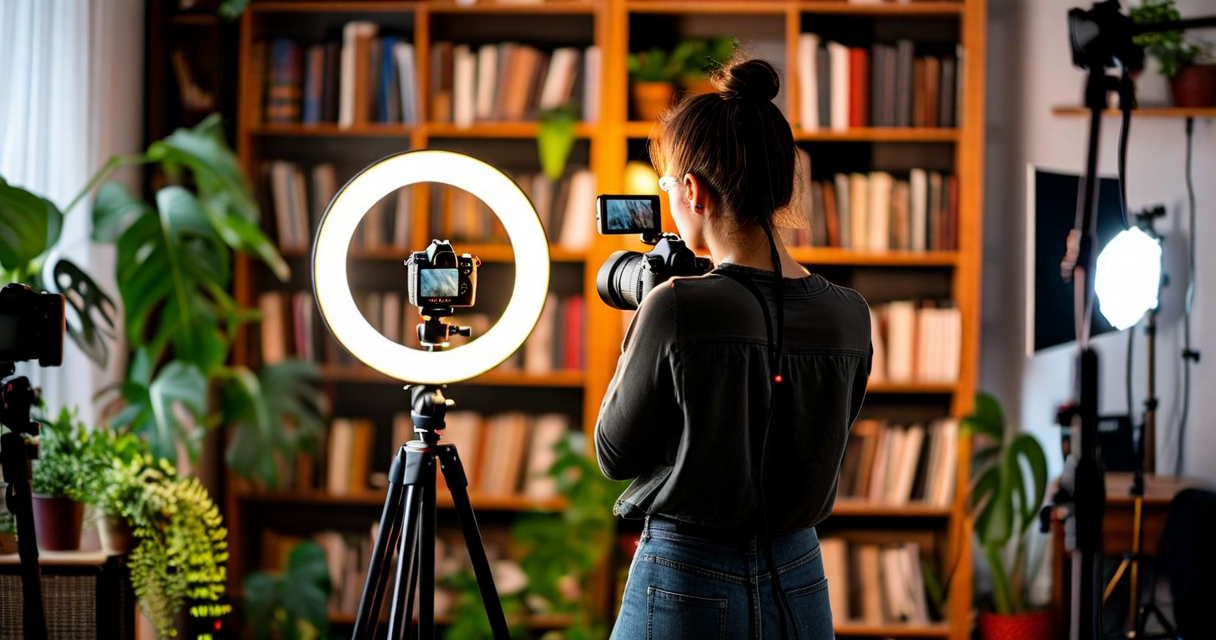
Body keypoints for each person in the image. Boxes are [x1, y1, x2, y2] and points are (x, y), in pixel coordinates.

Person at [594, 56, 872, 640]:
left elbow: (614, 454)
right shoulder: (850, 314)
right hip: (800, 573)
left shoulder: (675, 304)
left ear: (692, 190)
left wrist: (646, 316)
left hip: (685, 572)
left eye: (667, 184)